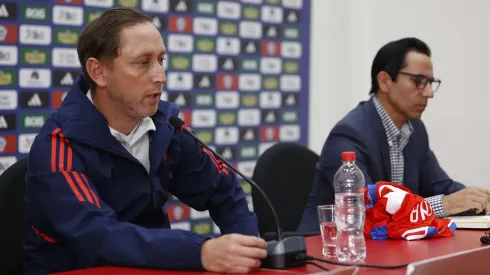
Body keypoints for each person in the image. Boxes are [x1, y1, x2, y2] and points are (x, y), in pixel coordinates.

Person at [23, 8, 267, 275]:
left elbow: (224, 192)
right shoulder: (58, 145)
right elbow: (97, 235)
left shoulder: (166, 128)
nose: (160, 76)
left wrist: (248, 254)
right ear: (98, 72)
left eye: (161, 60)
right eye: (143, 63)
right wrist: (199, 252)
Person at [298, 37, 490, 232]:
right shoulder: (350, 135)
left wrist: (477, 201)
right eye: (418, 81)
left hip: (388, 246)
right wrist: (445, 205)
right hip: (329, 249)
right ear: (385, 81)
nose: (429, 93)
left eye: (431, 82)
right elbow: (370, 211)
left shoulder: (415, 131)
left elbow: (440, 185)